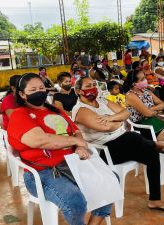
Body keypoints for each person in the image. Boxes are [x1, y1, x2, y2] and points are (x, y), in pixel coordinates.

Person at [7, 73, 111, 225]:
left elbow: (76, 131)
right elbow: (40, 140)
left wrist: (78, 147)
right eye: (33, 89)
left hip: (72, 163)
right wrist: (76, 141)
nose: (39, 91)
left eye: (42, 87)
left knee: (110, 180)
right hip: (43, 172)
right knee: (75, 201)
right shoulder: (20, 115)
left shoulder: (56, 110)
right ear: (22, 94)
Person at [72, 77, 164, 214]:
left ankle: (155, 200)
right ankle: (154, 144)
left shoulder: (102, 101)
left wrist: (111, 118)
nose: (93, 87)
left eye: (94, 84)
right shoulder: (81, 110)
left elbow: (126, 112)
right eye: (88, 86)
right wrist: (118, 121)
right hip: (104, 150)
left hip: (123, 142)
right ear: (79, 91)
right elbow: (106, 128)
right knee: (133, 137)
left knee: (151, 153)